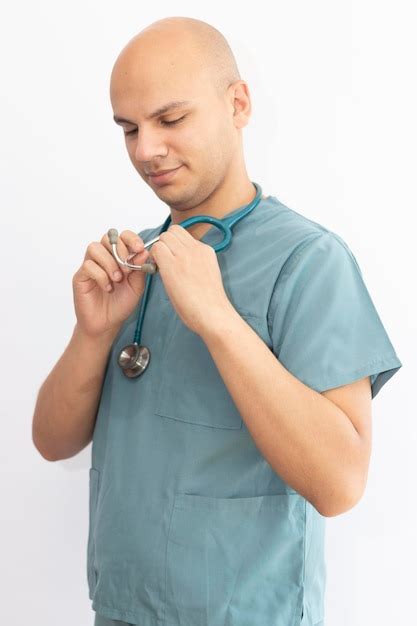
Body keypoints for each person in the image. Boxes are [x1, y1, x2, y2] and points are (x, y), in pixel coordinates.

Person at [31, 16, 403, 626]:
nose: (146, 149)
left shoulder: (308, 261)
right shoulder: (134, 263)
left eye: (170, 120)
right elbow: (53, 442)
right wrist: (93, 332)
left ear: (238, 104)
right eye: (129, 128)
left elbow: (340, 484)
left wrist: (219, 321)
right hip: (122, 610)